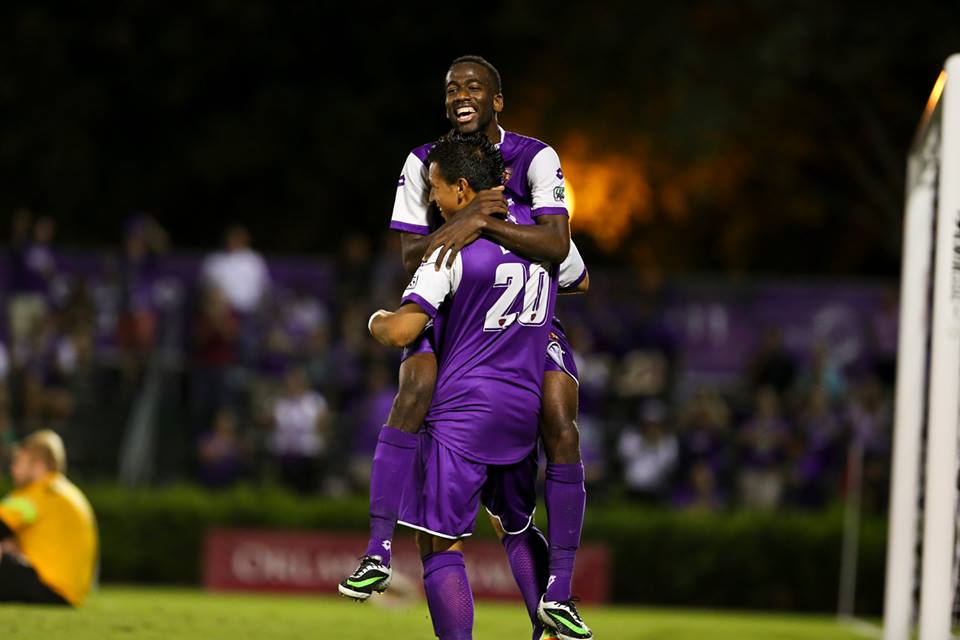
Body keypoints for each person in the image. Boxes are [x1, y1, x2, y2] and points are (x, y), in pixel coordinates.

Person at [344, 55, 591, 640]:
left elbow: (559, 247)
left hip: (475, 340)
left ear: (496, 101)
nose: (462, 94)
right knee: (424, 390)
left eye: (474, 86)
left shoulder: (532, 159)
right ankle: (381, 551)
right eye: (452, 87)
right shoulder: (426, 162)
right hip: (496, 341)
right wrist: (483, 222)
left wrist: (475, 223)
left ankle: (553, 592)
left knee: (557, 421)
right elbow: (573, 269)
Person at [0, 430, 98, 606]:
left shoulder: (37, 494)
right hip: (69, 594)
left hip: (45, 586)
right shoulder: (68, 492)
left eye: (19, 461)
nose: (13, 469)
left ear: (38, 465)